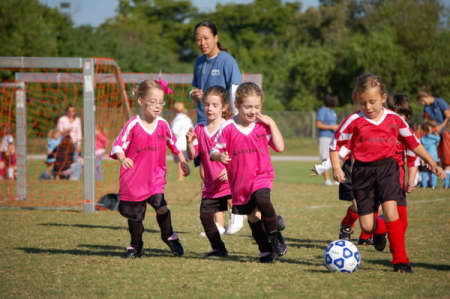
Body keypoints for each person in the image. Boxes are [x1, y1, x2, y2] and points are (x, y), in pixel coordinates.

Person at [330, 74, 445, 273]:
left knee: (391, 211)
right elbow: (335, 146)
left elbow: (414, 145)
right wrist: (337, 167)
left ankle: (401, 260)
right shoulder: (353, 121)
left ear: (383, 98)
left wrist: (432, 163)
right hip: (362, 173)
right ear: (358, 99)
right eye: (363, 102)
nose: (368, 107)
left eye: (373, 102)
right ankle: (381, 233)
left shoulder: (394, 120)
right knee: (367, 227)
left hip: (387, 169)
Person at [110, 80, 190, 259]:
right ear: (141, 101)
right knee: (136, 217)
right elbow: (117, 145)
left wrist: (183, 161)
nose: (157, 106)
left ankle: (169, 235)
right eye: (152, 101)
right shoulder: (133, 124)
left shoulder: (162, 124)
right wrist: (123, 157)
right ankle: (136, 246)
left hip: (155, 177)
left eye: (160, 102)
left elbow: (173, 144)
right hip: (134, 180)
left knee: (161, 206)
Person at [210, 82, 287, 263]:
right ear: (237, 105)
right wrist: (219, 156)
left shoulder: (262, 126)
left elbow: (281, 147)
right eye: (248, 107)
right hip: (240, 182)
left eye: (257, 107)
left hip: (262, 176)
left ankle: (275, 236)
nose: (253, 111)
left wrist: (273, 124)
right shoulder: (227, 128)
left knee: (262, 199)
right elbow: (213, 151)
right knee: (252, 216)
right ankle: (265, 250)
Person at [191, 20, 244, 234]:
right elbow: (196, 89)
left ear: (216, 37)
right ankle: (218, 224)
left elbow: (236, 92)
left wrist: (236, 122)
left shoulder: (227, 61)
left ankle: (238, 213)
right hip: (203, 124)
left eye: (205, 37)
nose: (202, 42)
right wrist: (193, 94)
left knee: (226, 172)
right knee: (207, 174)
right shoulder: (198, 63)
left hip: (224, 125)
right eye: (198, 39)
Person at [186, 86, 232, 257]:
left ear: (224, 107)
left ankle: (271, 237)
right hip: (211, 184)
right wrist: (190, 143)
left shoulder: (229, 127)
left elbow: (238, 155)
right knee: (205, 216)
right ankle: (219, 249)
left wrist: (231, 170)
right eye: (207, 105)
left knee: (250, 214)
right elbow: (193, 155)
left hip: (231, 182)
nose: (210, 108)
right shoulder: (199, 128)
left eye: (214, 105)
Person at [316, 95, 340, 186]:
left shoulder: (332, 111)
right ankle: (327, 180)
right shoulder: (322, 110)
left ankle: (336, 179)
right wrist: (332, 127)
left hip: (333, 137)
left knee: (334, 158)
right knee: (325, 158)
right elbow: (318, 124)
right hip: (324, 137)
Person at [57, 104, 82, 180]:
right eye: (69, 111)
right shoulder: (62, 119)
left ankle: (74, 178)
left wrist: (79, 145)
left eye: (73, 111)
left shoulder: (77, 120)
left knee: (78, 160)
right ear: (66, 112)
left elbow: (79, 133)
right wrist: (67, 131)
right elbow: (59, 132)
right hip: (65, 143)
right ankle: (63, 175)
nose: (71, 112)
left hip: (74, 143)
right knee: (66, 161)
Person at [171, 102, 194, 181]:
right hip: (186, 143)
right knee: (185, 161)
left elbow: (174, 131)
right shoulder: (187, 118)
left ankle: (180, 178)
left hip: (179, 143)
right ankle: (183, 176)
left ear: (176, 110)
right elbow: (192, 129)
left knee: (180, 162)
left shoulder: (177, 119)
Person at [420, 121, 440, 188]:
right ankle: (433, 185)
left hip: (425, 157)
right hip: (434, 158)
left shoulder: (422, 138)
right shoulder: (433, 137)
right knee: (433, 172)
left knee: (424, 172)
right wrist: (435, 132)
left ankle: (424, 185)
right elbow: (438, 139)